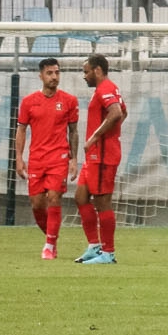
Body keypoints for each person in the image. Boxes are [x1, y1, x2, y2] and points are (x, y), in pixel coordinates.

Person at [14, 57, 79, 259]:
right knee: (37, 204)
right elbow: (21, 130)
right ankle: (51, 239)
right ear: (41, 75)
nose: (54, 76)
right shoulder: (28, 102)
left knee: (54, 197)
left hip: (59, 157)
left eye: (57, 72)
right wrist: (18, 157)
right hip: (37, 159)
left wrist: (74, 159)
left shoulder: (69, 101)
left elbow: (73, 131)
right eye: (50, 73)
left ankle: (49, 245)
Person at [72, 54, 126, 264]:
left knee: (102, 203)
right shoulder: (109, 89)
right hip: (95, 155)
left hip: (103, 156)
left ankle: (108, 253)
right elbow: (123, 112)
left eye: (86, 72)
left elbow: (116, 113)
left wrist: (96, 137)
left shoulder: (105, 89)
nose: (84, 76)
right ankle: (95, 246)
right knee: (81, 197)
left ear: (97, 70)